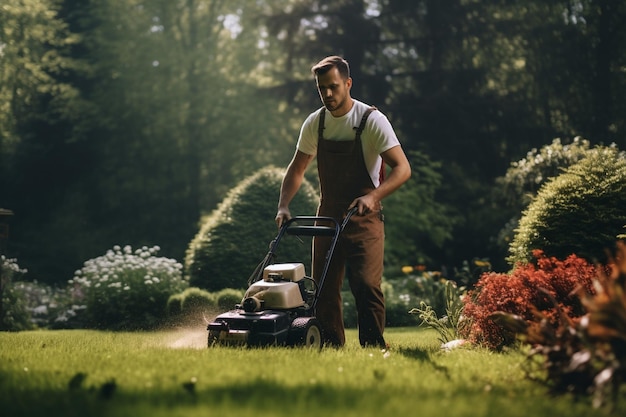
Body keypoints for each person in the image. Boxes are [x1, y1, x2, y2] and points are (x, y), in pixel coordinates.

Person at [275, 55, 411, 348]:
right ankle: (330, 345)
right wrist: (284, 205)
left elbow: (403, 168)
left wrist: (373, 196)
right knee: (322, 288)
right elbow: (297, 169)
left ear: (348, 83)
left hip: (365, 216)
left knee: (366, 284)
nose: (327, 94)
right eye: (321, 88)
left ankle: (374, 346)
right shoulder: (316, 123)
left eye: (333, 87)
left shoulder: (371, 120)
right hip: (327, 216)